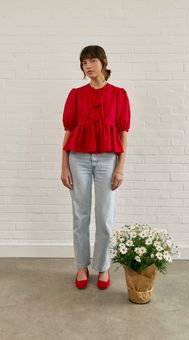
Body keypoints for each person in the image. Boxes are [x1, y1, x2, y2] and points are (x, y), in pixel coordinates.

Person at [60, 45, 131, 290]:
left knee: (105, 217)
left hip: (108, 160)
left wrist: (120, 167)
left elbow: (123, 132)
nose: (87, 67)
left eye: (91, 61)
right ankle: (81, 265)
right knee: (80, 216)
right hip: (77, 159)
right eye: (83, 63)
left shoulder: (119, 94)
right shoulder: (76, 95)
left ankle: (102, 266)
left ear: (103, 61)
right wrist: (64, 166)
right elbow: (68, 131)